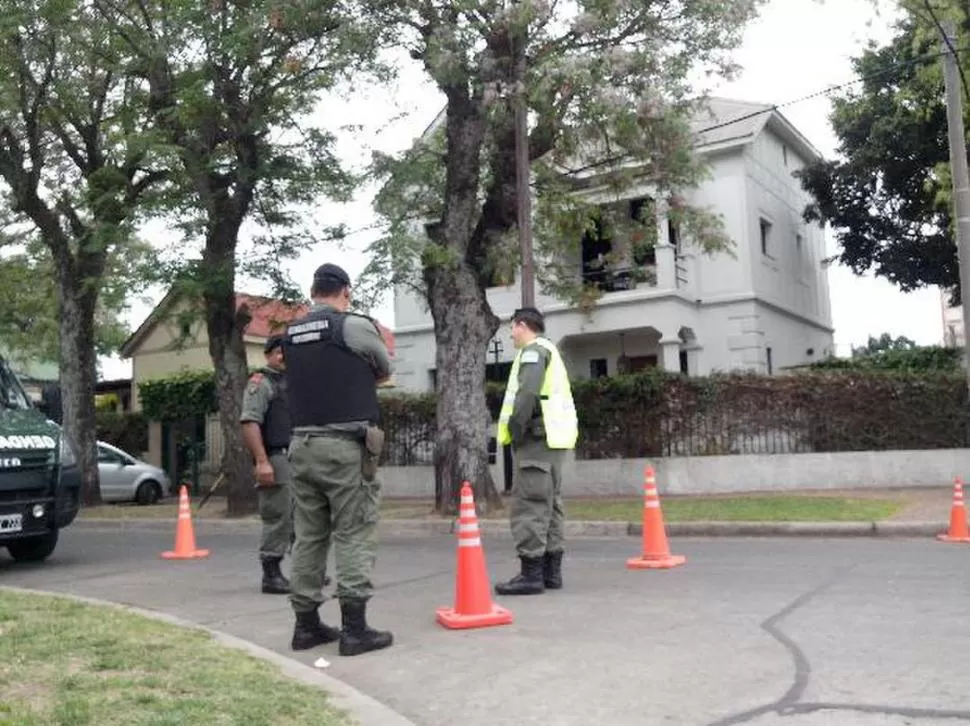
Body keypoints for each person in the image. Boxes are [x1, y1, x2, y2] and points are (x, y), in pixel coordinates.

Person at [282, 262, 394, 657]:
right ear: (345, 291)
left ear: (313, 292)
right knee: (353, 531)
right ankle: (355, 630)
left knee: (309, 536)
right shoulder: (354, 325)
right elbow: (385, 368)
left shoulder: (291, 333)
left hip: (301, 446)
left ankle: (306, 627)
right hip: (343, 447)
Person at [494, 307, 578, 596]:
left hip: (535, 441)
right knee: (551, 505)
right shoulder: (549, 350)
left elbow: (526, 395)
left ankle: (531, 574)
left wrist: (516, 431)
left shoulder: (532, 352)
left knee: (530, 504)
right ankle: (550, 573)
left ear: (522, 325)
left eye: (512, 327)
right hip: (552, 441)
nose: (510, 333)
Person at [240, 335, 296, 595]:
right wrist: (262, 461)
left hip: (297, 458)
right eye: (278, 352)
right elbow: (250, 422)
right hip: (276, 457)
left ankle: (305, 572)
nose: (283, 356)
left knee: (302, 517)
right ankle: (271, 575)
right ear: (268, 355)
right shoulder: (261, 382)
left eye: (288, 352)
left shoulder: (293, 382)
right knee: (278, 515)